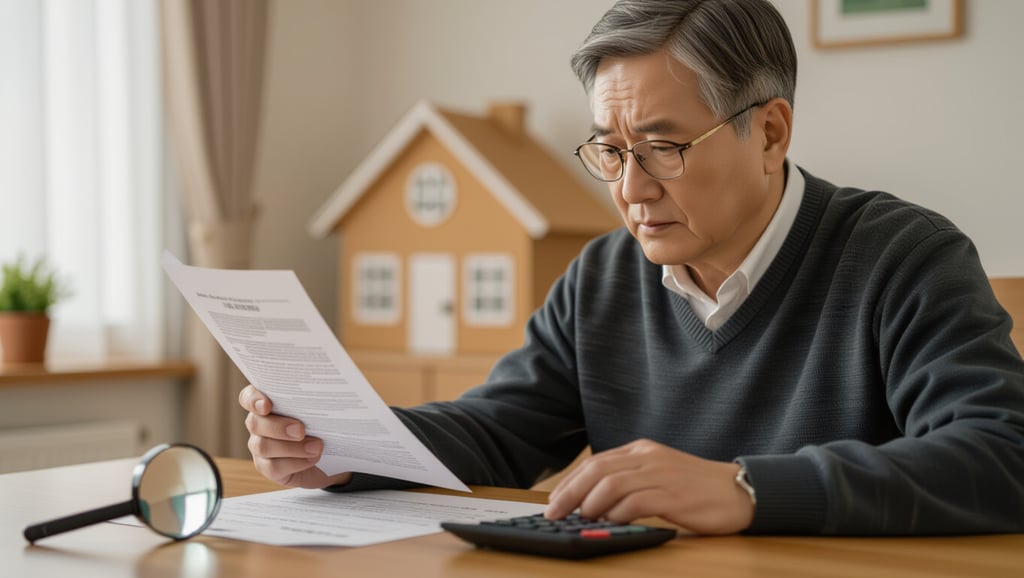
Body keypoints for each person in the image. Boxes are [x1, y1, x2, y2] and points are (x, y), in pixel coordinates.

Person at [239, 0, 1024, 535]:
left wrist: (746, 486)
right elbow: (500, 431)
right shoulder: (604, 277)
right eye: (610, 152)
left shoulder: (904, 257)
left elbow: (1003, 453)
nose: (629, 189)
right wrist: (342, 445)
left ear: (772, 133)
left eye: (662, 148)